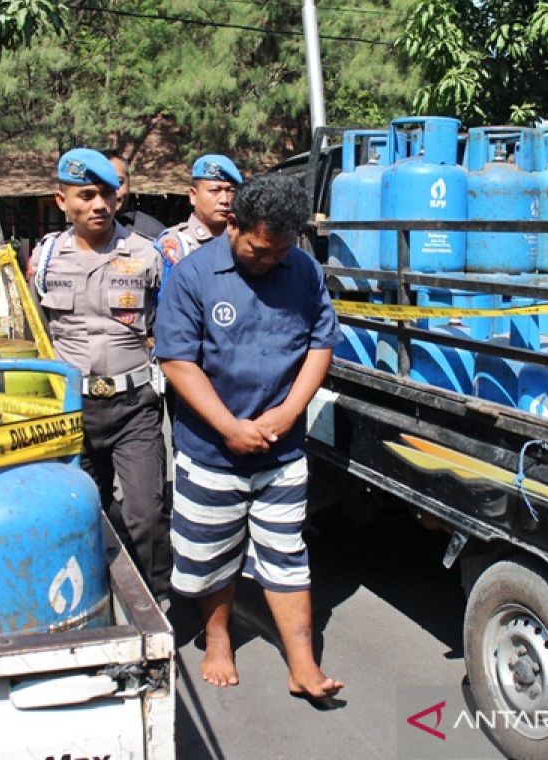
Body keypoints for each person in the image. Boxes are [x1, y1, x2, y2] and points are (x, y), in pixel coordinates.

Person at [154, 173, 345, 702]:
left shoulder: (302, 269)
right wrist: (228, 427)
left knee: (287, 552)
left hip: (282, 452)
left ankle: (302, 663)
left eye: (279, 253)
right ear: (232, 223)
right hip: (211, 451)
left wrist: (288, 412)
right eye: (259, 250)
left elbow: (318, 345)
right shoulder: (192, 276)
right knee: (211, 554)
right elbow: (177, 360)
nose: (268, 262)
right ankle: (218, 639)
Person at [29, 147, 171, 601]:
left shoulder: (147, 256)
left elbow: (168, 327)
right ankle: (97, 594)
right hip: (73, 410)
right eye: (86, 195)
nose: (98, 205)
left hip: (135, 408)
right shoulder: (46, 259)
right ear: (61, 200)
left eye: (107, 194)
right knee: (84, 511)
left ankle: (155, 598)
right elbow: (37, 331)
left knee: (146, 513)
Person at [155, 154, 241, 281]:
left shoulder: (243, 240)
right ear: (193, 195)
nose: (224, 200)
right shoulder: (176, 243)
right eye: (214, 191)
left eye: (231, 191)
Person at [102, 150, 167, 240]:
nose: (113, 192)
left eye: (119, 182)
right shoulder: (79, 231)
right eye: (105, 185)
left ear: (129, 183)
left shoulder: (153, 233)